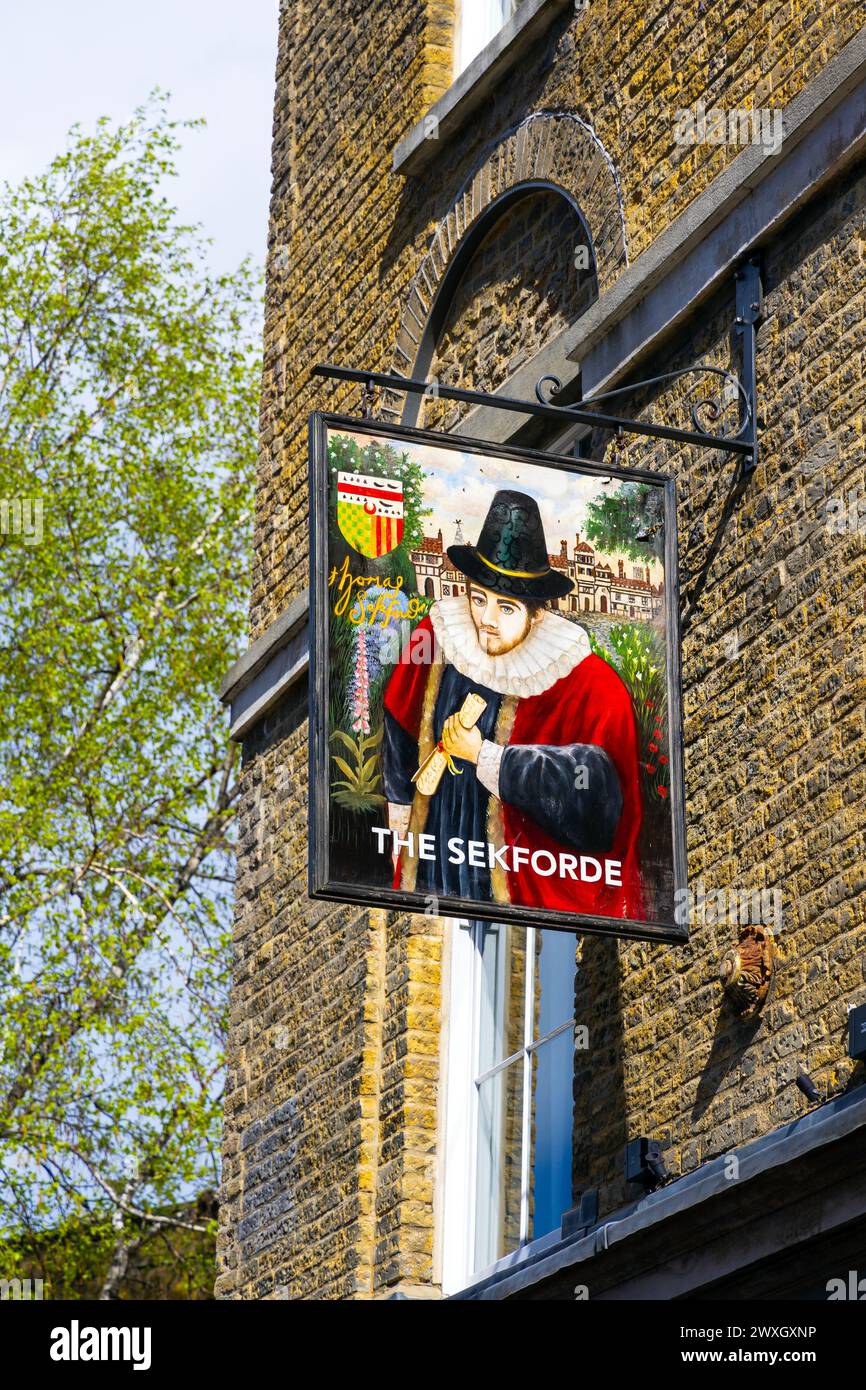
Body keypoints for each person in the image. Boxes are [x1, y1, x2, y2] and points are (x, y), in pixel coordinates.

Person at [382, 489, 645, 920]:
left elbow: (595, 796)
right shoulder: (441, 636)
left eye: (506, 608)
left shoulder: (582, 680)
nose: (486, 618)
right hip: (437, 849)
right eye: (479, 599)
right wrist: (398, 815)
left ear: (536, 614)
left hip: (516, 882)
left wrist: (485, 757)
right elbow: (400, 717)